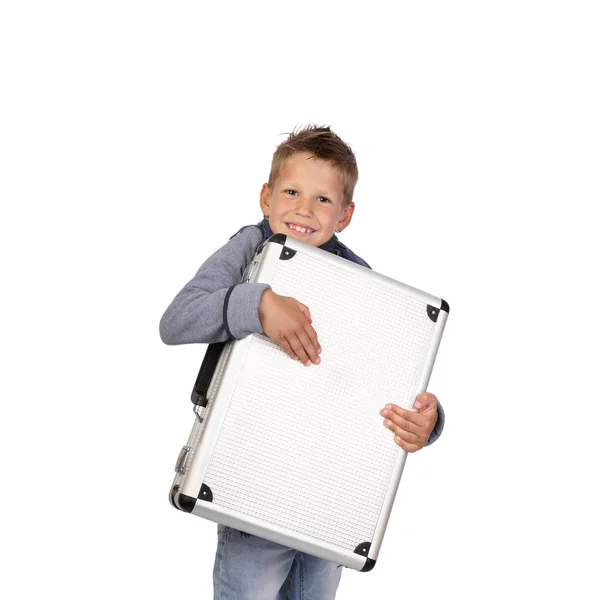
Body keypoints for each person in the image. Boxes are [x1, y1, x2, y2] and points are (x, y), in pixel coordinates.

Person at [159, 125, 445, 600]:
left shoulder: (358, 277)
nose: (304, 210)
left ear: (346, 215)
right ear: (266, 196)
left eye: (323, 200)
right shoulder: (250, 246)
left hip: (324, 489)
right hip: (251, 476)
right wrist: (258, 304)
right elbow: (177, 321)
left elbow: (380, 373)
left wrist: (427, 421)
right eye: (291, 192)